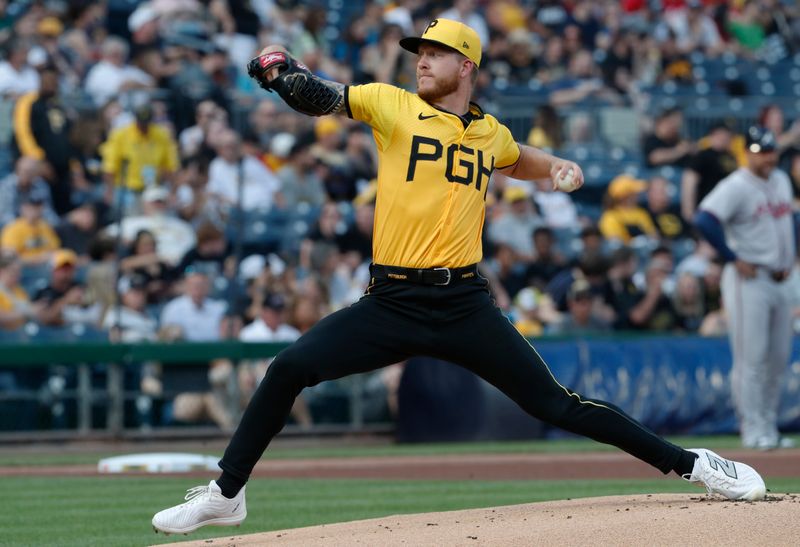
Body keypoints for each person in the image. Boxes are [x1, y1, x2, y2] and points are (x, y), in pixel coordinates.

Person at [152, 19, 766, 536]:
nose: (421, 61)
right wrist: (282, 75)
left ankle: (693, 464)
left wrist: (556, 166)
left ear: (466, 64)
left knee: (559, 405)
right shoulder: (393, 106)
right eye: (418, 53)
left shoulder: (488, 131)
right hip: (390, 299)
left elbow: (517, 156)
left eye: (434, 53)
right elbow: (324, 95)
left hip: (464, 303)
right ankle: (226, 494)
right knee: (287, 368)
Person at [694, 126, 797, 451]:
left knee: (778, 357)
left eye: (770, 150)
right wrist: (732, 257)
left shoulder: (780, 179)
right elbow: (704, 219)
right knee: (751, 357)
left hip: (782, 277)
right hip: (748, 279)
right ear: (748, 153)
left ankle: (768, 425)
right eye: (760, 151)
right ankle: (752, 429)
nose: (767, 156)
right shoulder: (735, 185)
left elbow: (789, 222)